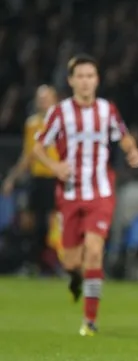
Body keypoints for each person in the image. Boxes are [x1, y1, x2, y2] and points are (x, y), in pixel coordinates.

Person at [32, 54, 138, 336]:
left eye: (90, 76)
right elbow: (38, 147)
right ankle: (75, 280)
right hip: (69, 194)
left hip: (101, 192)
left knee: (94, 252)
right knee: (70, 261)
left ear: (97, 80)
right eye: (80, 76)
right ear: (70, 81)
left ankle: (89, 321)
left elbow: (123, 135)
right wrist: (55, 166)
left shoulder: (107, 110)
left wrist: (132, 150)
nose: (85, 81)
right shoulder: (59, 113)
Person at [2, 85, 59, 275]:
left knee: (52, 223)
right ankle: (33, 262)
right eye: (40, 98)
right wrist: (12, 178)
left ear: (54, 100)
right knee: (30, 222)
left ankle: (52, 263)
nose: (42, 101)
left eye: (46, 97)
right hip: (36, 178)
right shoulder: (32, 123)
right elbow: (27, 155)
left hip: (55, 177)